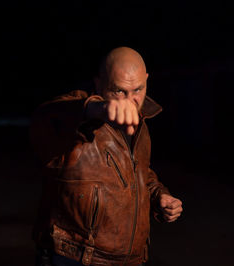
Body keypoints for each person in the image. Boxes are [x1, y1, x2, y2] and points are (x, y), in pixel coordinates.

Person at [30, 47, 183, 266]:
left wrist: (159, 196)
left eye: (138, 89)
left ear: (147, 80)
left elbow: (137, 173)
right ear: (99, 83)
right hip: (75, 258)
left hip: (130, 259)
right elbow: (46, 118)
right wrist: (95, 109)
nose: (130, 101)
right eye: (119, 91)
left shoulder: (142, 123)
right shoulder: (78, 114)